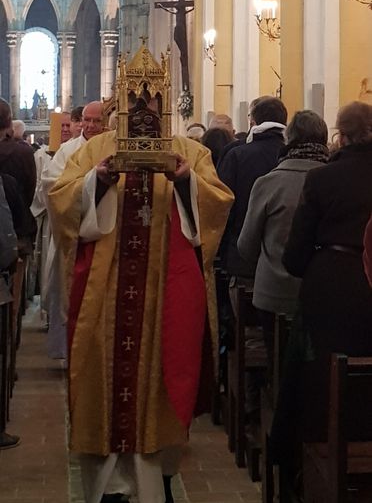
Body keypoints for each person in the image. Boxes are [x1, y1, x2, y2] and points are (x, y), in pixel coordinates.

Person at [48, 123, 233, 503]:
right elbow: (61, 200)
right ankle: (109, 487)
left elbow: (217, 204)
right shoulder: (94, 150)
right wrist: (96, 181)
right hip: (106, 293)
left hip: (164, 294)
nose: (143, 108)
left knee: (159, 387)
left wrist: (185, 183)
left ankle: (158, 480)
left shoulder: (189, 152)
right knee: (103, 383)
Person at [271, 101, 372, 471]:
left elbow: (296, 254)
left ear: (341, 136)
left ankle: (315, 462)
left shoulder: (324, 178)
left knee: (322, 375)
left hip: (334, 288)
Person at [237, 110, 329, 368]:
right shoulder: (334, 182)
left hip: (274, 294)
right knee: (315, 369)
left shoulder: (269, 183)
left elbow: (246, 247)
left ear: (290, 140)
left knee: (278, 364)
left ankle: (272, 399)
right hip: (321, 293)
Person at [41, 101, 104, 358]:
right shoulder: (67, 151)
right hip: (73, 233)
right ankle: (69, 352)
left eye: (96, 121)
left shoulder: (113, 147)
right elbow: (52, 186)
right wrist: (91, 182)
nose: (89, 125)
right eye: (86, 120)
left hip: (105, 232)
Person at [217, 96, 287, 278]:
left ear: (252, 121)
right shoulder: (294, 153)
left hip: (241, 251)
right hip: (284, 255)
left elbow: (223, 204)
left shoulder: (236, 155)